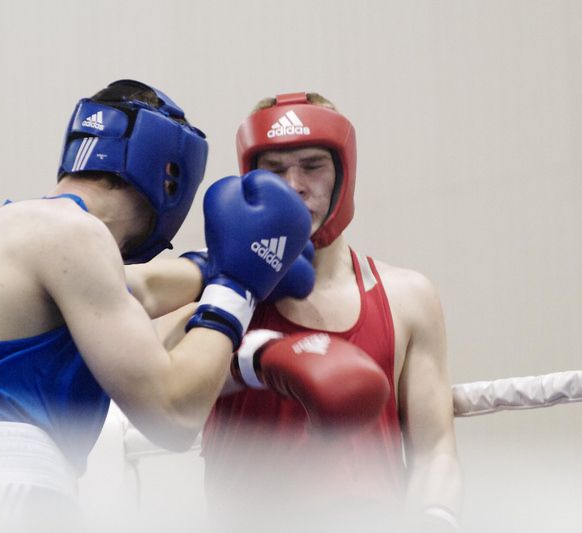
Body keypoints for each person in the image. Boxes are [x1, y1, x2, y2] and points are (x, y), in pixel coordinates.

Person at [0, 80, 313, 531]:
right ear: (171, 175)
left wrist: (221, 264)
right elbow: (172, 412)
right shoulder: (75, 235)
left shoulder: (13, 233)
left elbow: (141, 290)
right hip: (10, 499)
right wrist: (238, 287)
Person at [195, 92, 463, 532]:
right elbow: (163, 398)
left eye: (312, 165)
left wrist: (435, 519)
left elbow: (435, 450)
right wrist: (251, 358)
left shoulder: (406, 298)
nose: (294, 184)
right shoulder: (217, 293)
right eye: (274, 170)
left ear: (344, 173)